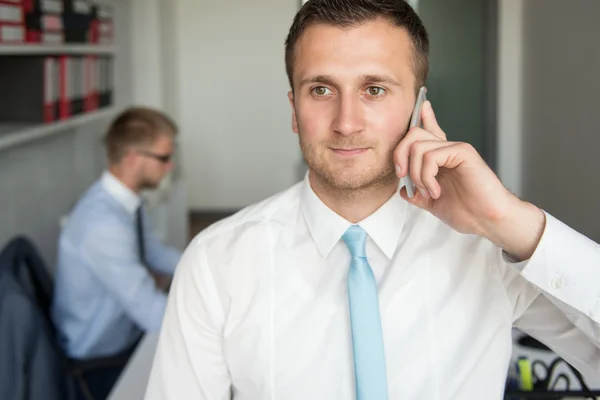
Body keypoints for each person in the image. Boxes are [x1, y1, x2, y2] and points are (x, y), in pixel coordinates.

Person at [145, 1, 600, 399]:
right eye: (321, 89)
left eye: (374, 90)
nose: (346, 122)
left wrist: (510, 221)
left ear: (420, 108)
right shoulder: (215, 262)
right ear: (293, 110)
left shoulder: (488, 247)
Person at [52, 106, 182, 399]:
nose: (170, 166)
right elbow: (150, 311)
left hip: (125, 334)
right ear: (133, 158)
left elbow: (154, 253)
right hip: (99, 360)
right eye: (163, 158)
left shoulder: (125, 203)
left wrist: (206, 266)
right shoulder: (102, 225)